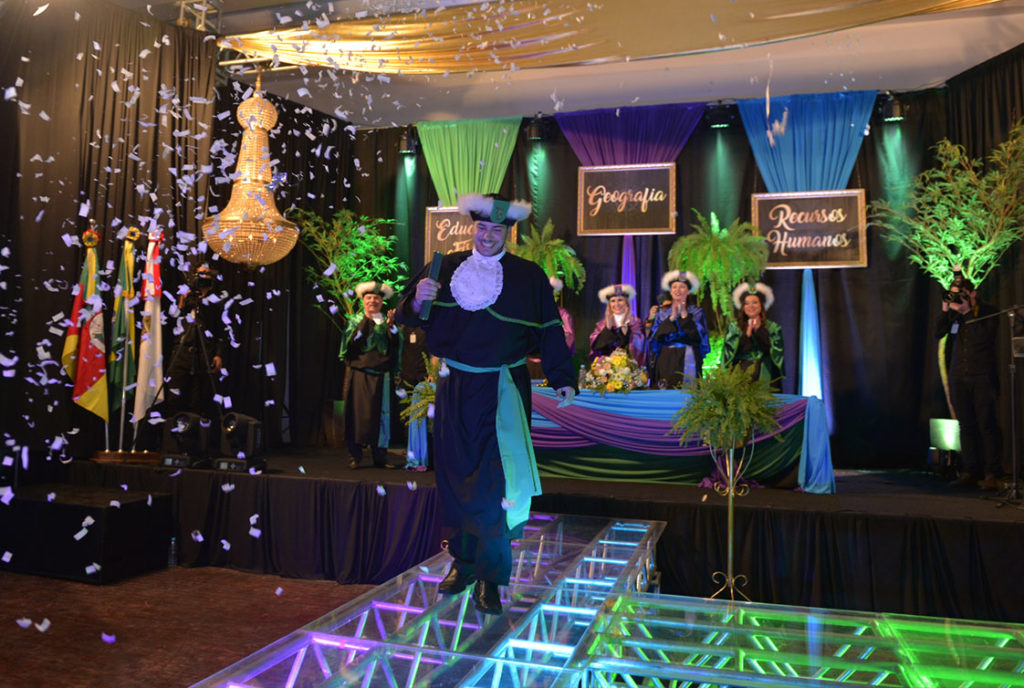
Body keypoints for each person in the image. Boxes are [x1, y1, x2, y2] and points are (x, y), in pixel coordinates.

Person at [397, 192, 576, 616]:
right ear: (472, 228)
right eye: (482, 227)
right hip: (453, 385)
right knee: (456, 474)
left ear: (508, 233)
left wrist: (563, 378)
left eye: (497, 229)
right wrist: (419, 298)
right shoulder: (444, 267)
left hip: (502, 387)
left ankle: (491, 577)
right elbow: (407, 315)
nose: (488, 235)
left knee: (498, 483)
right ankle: (463, 564)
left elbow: (551, 330)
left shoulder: (528, 276)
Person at [935, 273, 1003, 489]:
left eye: (962, 294)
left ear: (973, 293)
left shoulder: (989, 312)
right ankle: (970, 471)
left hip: (982, 376)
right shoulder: (955, 316)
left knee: (987, 424)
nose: (958, 299)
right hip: (958, 376)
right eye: (954, 295)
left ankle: (992, 473)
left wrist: (967, 313)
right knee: (965, 425)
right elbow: (938, 333)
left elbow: (983, 339)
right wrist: (945, 310)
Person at [341, 281, 402, 470]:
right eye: (369, 298)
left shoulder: (386, 321)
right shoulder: (355, 321)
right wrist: (366, 321)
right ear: (363, 300)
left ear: (382, 301)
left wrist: (391, 326)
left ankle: (380, 457)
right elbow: (352, 345)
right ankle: (355, 455)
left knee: (382, 416)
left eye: (376, 298)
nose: (372, 301)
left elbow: (395, 345)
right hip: (360, 375)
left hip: (382, 376)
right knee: (357, 416)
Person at [165, 264, 226, 425]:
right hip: (182, 353)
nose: (203, 277)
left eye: (207, 273)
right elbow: (172, 320)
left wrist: (218, 354)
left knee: (198, 400)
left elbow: (221, 330)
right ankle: (173, 431)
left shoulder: (216, 301)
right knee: (174, 397)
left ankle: (195, 434)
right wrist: (182, 302)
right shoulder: (186, 296)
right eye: (200, 273)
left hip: (204, 354)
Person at [647, 270, 710, 388]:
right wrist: (671, 318)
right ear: (670, 291)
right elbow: (655, 338)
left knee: (688, 391)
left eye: (682, 287)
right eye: (674, 287)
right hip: (666, 357)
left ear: (688, 291)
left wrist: (685, 316)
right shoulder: (662, 313)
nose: (678, 290)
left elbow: (699, 337)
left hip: (688, 356)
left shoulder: (697, 312)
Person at [721, 282, 785, 391]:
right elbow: (729, 353)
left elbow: (776, 352)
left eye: (755, 302)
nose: (751, 306)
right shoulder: (734, 327)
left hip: (766, 372)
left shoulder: (773, 327)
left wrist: (759, 332)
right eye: (746, 303)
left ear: (761, 305)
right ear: (742, 307)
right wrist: (747, 335)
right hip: (741, 372)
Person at [589, 283, 646, 366]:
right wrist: (608, 327)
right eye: (613, 301)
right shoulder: (602, 324)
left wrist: (624, 324)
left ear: (626, 302)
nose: (616, 304)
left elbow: (638, 347)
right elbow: (597, 347)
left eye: (620, 300)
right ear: (609, 304)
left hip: (628, 367)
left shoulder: (635, 322)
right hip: (607, 367)